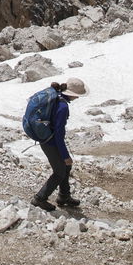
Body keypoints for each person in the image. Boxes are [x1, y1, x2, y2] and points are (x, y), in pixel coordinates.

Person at [31, 78, 87, 211]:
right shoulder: (62, 107)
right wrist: (65, 155)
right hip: (50, 141)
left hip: (47, 138)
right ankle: (39, 198)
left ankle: (64, 196)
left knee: (66, 166)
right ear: (73, 94)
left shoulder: (57, 99)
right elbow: (59, 133)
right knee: (59, 172)